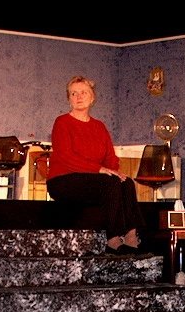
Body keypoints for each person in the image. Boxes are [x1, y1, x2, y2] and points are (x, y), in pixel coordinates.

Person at [46, 76, 145, 255]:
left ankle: (131, 237)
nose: (79, 97)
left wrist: (113, 171)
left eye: (83, 92)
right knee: (110, 183)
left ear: (92, 98)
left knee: (126, 182)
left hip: (91, 179)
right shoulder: (62, 122)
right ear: (69, 99)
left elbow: (110, 157)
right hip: (62, 180)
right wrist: (100, 170)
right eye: (74, 93)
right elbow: (66, 157)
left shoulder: (99, 126)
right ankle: (113, 239)